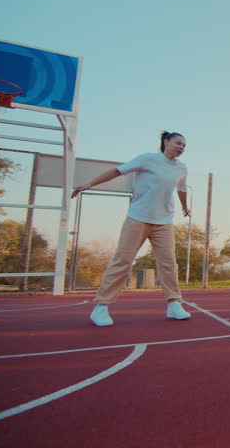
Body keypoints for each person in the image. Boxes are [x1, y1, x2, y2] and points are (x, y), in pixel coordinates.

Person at [72, 131, 193, 326]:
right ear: (166, 141)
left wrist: (184, 206)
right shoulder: (147, 159)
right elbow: (117, 171)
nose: (181, 147)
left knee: (169, 264)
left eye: (184, 146)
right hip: (137, 218)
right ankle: (101, 307)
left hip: (164, 222)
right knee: (123, 260)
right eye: (178, 143)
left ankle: (174, 304)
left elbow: (181, 189)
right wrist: (89, 184)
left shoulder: (181, 168)